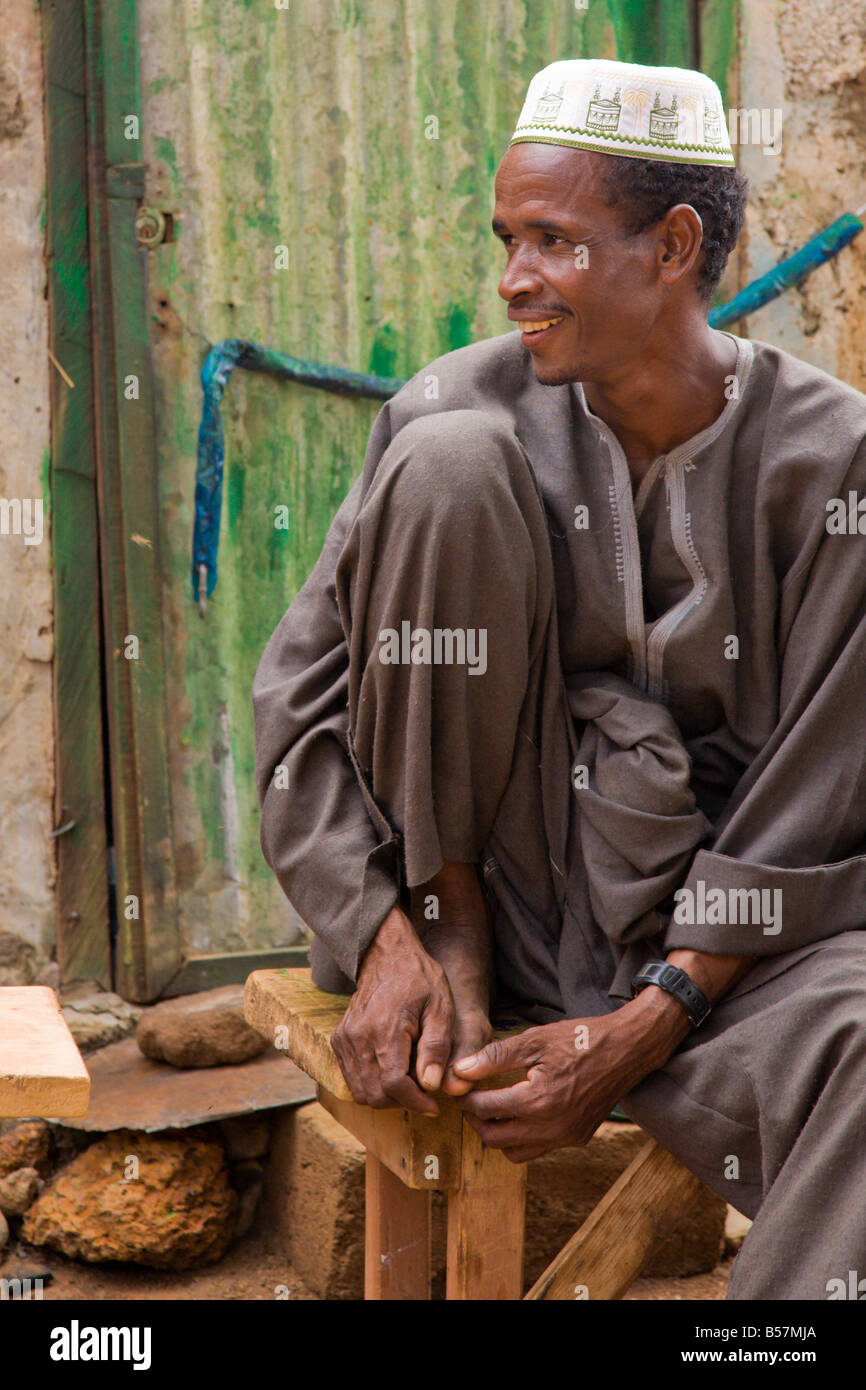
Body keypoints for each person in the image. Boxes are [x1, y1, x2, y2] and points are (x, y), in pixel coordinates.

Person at [252, 58, 866, 1299]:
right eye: (506, 240)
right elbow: (300, 703)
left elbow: (822, 793)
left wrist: (646, 1018)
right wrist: (388, 930)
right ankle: (451, 922)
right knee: (448, 464)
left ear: (673, 245)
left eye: (552, 241)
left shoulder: (832, 459)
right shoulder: (452, 408)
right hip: (484, 911)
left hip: (726, 949)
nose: (511, 278)